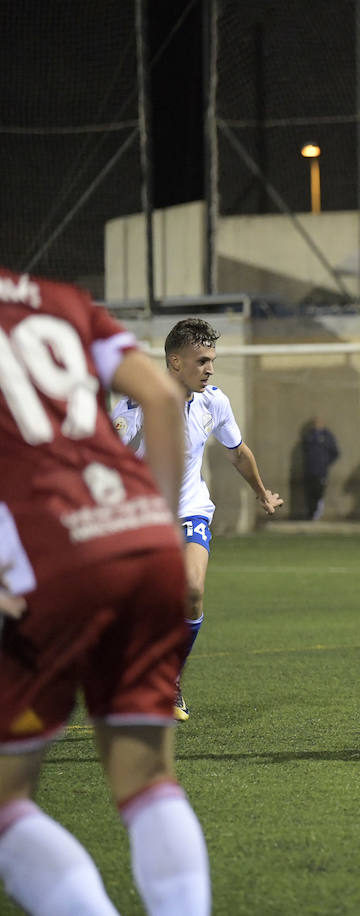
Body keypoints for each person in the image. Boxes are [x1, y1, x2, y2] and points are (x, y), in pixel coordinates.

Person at [0, 269, 211, 915]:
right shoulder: (60, 300)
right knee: (146, 777)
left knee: (6, 802)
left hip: (50, 556)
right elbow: (156, 392)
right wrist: (154, 514)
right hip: (142, 539)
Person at [111, 318, 283, 720]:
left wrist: (261, 493)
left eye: (212, 360)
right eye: (202, 361)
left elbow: (237, 451)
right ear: (175, 362)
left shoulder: (213, 401)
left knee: (191, 589)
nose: (210, 369)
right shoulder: (135, 408)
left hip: (189, 508)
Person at [300, 415, 340, 520]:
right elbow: (304, 449)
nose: (317, 425)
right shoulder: (309, 435)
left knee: (319, 492)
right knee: (310, 492)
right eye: (315, 423)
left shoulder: (327, 436)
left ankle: (317, 513)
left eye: (319, 422)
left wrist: (325, 462)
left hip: (321, 471)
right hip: (310, 470)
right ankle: (310, 514)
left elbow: (335, 453)